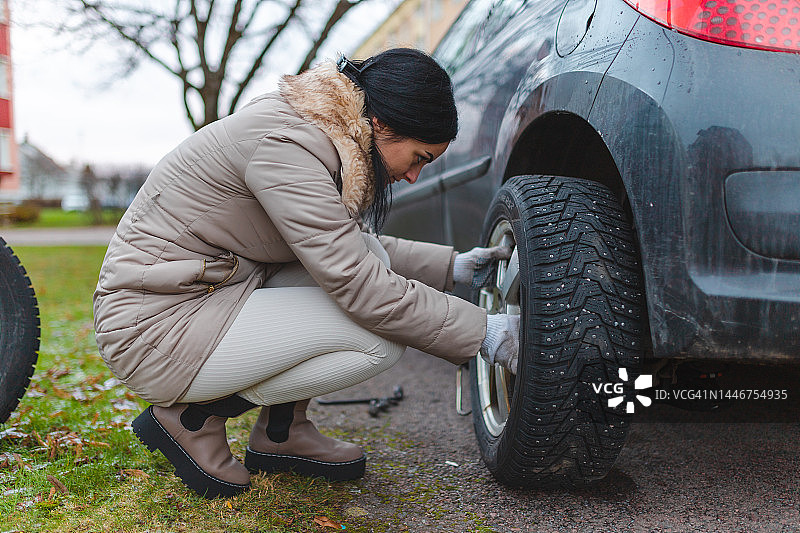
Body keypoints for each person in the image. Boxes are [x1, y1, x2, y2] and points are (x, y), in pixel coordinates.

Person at [93, 48, 520, 499]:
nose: (414, 176)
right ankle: (194, 417)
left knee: (370, 253)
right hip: (154, 328)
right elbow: (356, 281)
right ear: (381, 124)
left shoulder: (318, 132)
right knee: (379, 340)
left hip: (205, 296)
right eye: (418, 157)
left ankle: (282, 431)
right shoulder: (288, 145)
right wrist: (485, 333)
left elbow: (342, 244)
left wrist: (452, 266)